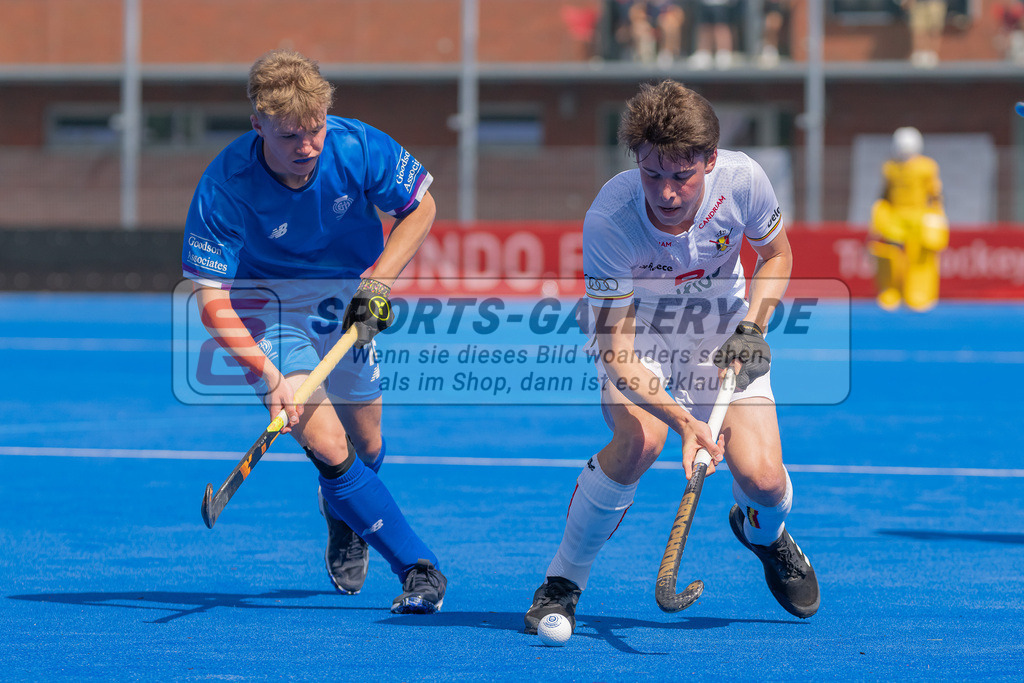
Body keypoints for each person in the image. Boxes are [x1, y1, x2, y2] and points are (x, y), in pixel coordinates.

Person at [524, 80, 820, 636]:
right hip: (643, 331)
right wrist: (685, 424)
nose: (665, 193)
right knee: (640, 440)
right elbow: (616, 350)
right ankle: (562, 581)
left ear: (709, 160)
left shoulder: (743, 181)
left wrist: (753, 327)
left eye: (681, 176)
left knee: (762, 481)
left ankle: (765, 534)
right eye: (651, 174)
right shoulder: (610, 219)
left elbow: (777, 256)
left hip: (726, 328)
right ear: (635, 160)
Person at [181, 49, 447, 613]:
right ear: (258, 125)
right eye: (289, 137)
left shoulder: (356, 145)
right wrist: (268, 373)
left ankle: (343, 511)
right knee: (327, 444)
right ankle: (419, 569)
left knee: (367, 444)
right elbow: (210, 300)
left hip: (347, 296)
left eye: (315, 130)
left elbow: (420, 207)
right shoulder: (227, 184)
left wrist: (379, 282)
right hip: (267, 305)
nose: (307, 147)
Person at [868, 126, 948, 312]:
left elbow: (935, 193)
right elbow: (884, 193)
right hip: (895, 217)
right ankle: (890, 291)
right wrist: (880, 214)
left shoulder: (927, 167)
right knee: (890, 255)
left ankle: (919, 294)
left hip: (919, 216)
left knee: (920, 257)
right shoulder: (889, 167)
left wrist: (937, 215)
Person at [902, 0, 947, 67]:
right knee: (918, 29)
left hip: (936, 2)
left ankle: (932, 55)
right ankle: (919, 54)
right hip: (918, 3)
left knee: (934, 29)